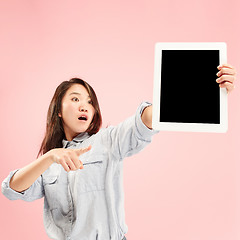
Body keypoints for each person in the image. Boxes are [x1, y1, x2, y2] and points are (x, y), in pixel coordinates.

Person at [1, 63, 236, 240]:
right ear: (59, 111)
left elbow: (142, 123)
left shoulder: (106, 142)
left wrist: (204, 87)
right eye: (75, 99)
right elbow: (11, 189)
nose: (85, 105)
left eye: (90, 102)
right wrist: (50, 156)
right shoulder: (48, 163)